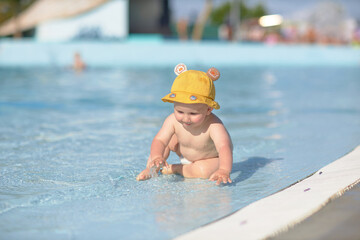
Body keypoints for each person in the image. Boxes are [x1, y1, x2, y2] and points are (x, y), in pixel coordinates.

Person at [136, 63, 233, 185]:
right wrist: (156, 156)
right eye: (180, 111)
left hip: (207, 159)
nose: (186, 118)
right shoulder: (172, 120)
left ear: (208, 110)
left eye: (193, 114)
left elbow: (224, 147)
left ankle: (175, 168)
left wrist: (224, 170)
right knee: (167, 142)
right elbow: (160, 140)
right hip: (183, 150)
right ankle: (152, 168)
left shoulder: (214, 125)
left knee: (203, 172)